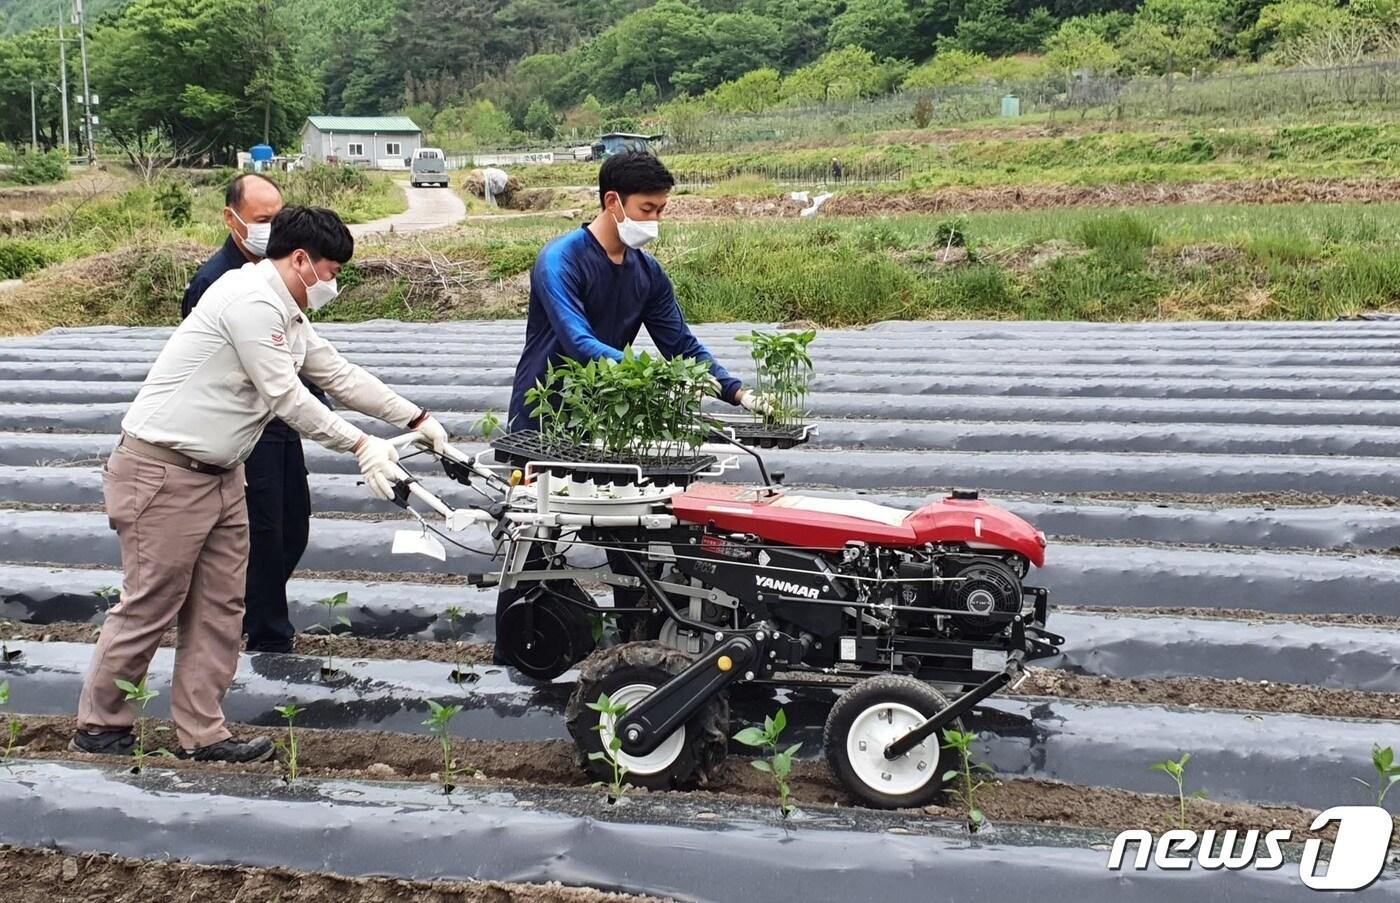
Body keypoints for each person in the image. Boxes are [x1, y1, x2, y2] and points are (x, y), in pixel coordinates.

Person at [72, 205, 448, 763]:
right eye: (332, 270)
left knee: (222, 604)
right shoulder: (248, 301)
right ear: (300, 259)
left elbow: (337, 374)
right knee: (152, 600)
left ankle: (202, 733)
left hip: (223, 474)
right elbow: (286, 397)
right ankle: (100, 725)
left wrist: (415, 419)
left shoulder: (288, 309)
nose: (333, 283)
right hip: (164, 472)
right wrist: (362, 445)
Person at [499, 151, 771, 664]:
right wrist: (653, 380)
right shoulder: (560, 260)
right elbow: (578, 343)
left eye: (662, 210)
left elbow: (681, 346)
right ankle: (523, 652)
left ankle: (635, 653)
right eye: (648, 209)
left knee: (630, 536)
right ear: (612, 202)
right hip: (546, 416)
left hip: (607, 417)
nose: (656, 221)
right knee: (537, 536)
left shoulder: (647, 274)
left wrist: (738, 393)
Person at [184, 173, 325, 654]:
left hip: (282, 422)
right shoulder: (214, 281)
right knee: (263, 533)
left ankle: (246, 609)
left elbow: (299, 354)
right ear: (232, 218)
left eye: (277, 219)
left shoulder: (279, 275)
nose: (272, 229)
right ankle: (267, 634)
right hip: (246, 431)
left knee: (294, 526)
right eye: (263, 220)